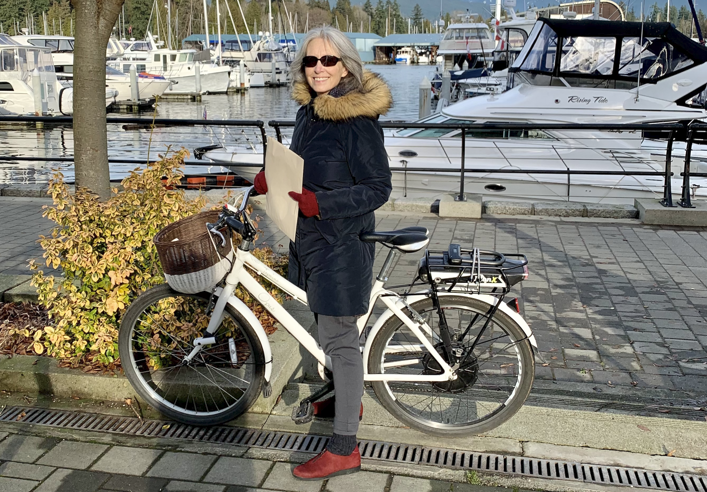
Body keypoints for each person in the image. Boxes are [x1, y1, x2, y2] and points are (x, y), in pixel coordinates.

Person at [252, 26, 392, 480]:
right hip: (311, 241)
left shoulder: (355, 120)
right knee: (326, 327)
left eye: (328, 61)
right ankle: (344, 400)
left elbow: (378, 188)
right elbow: (300, 167)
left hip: (340, 244)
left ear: (347, 66)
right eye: (311, 61)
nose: (318, 68)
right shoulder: (309, 113)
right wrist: (270, 176)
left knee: (339, 341)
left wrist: (321, 204)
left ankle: (345, 449)